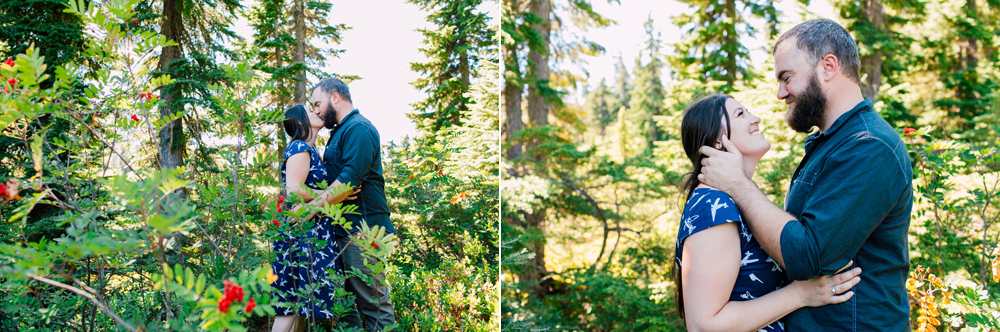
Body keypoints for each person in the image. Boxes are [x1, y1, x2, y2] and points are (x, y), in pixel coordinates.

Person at [697, 19, 913, 331]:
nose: (780, 93)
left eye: (787, 78)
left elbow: (810, 256)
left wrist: (737, 185)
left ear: (828, 67)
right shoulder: (832, 143)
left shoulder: (868, 146)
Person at [675, 94, 862, 331]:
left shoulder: (735, 201)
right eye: (741, 114)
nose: (756, 119)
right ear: (718, 141)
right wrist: (801, 295)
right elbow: (704, 326)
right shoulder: (713, 205)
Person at [307, 77, 396, 331]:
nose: (316, 110)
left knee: (373, 304)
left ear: (335, 97)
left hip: (363, 231)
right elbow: (340, 183)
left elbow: (349, 180)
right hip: (341, 231)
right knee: (342, 306)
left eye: (318, 103)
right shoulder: (337, 133)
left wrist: (312, 207)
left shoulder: (358, 128)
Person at [272, 104, 359, 332]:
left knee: (300, 306)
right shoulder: (299, 147)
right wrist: (335, 193)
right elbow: (293, 190)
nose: (317, 112)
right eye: (310, 111)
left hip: (310, 233)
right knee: (289, 307)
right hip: (299, 233)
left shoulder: (311, 151)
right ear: (300, 122)